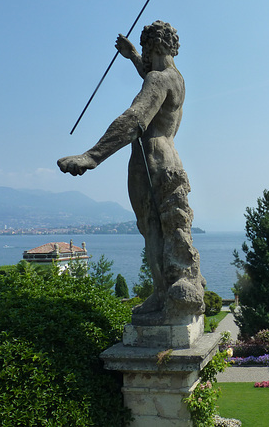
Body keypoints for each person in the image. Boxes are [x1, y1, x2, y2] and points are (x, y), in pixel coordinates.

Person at [58, 21, 205, 325]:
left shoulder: (157, 78)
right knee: (169, 227)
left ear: (153, 47)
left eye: (146, 51)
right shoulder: (176, 78)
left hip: (149, 161)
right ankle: (168, 289)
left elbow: (134, 119)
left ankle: (166, 296)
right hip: (170, 159)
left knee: (152, 228)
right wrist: (133, 56)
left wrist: (92, 156)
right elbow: (153, 80)